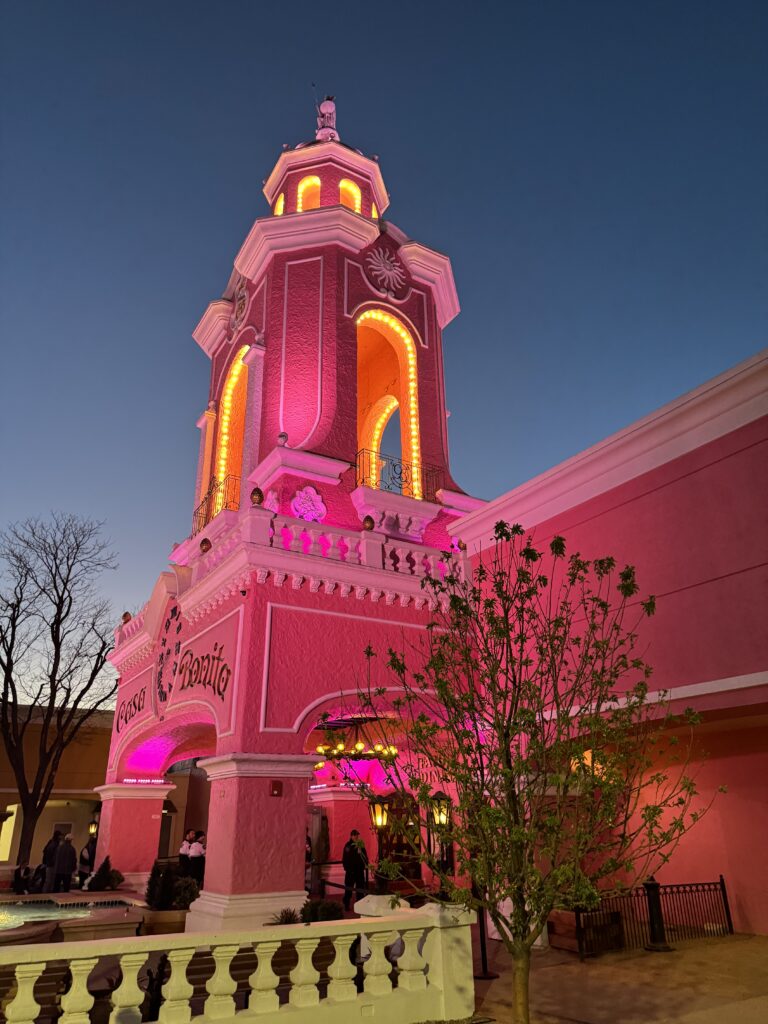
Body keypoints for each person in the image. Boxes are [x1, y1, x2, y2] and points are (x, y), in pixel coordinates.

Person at [342, 830, 368, 911]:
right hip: (351, 872)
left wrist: (364, 864)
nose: (356, 836)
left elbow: (365, 856)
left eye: (357, 835)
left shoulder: (361, 845)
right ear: (351, 836)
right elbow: (345, 859)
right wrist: (347, 869)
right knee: (349, 889)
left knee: (360, 889)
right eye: (354, 835)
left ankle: (359, 905)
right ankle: (346, 904)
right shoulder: (348, 846)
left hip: (359, 871)